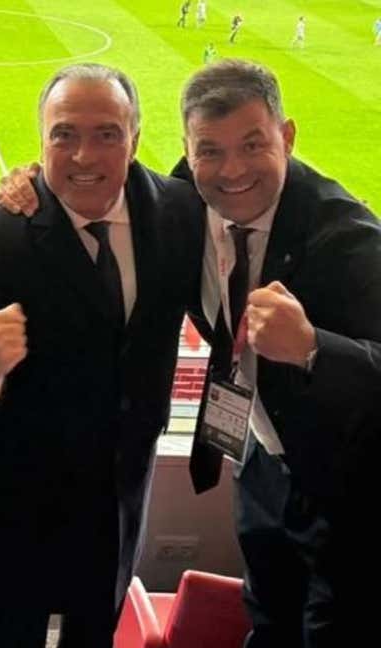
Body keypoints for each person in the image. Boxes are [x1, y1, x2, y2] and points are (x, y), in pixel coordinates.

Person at [0, 63, 203, 647]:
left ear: (136, 139)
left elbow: (243, 178)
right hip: (18, 503)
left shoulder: (181, 216)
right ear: (40, 141)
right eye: (64, 134)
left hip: (118, 496)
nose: (84, 155)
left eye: (107, 134)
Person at [177, 59, 381, 647]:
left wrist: (316, 348)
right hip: (261, 462)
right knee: (267, 620)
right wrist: (31, 183)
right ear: (187, 150)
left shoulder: (349, 240)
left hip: (349, 488)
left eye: (252, 144)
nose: (231, 170)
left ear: (287, 137)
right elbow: (110, 194)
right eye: (209, 151)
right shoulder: (185, 197)